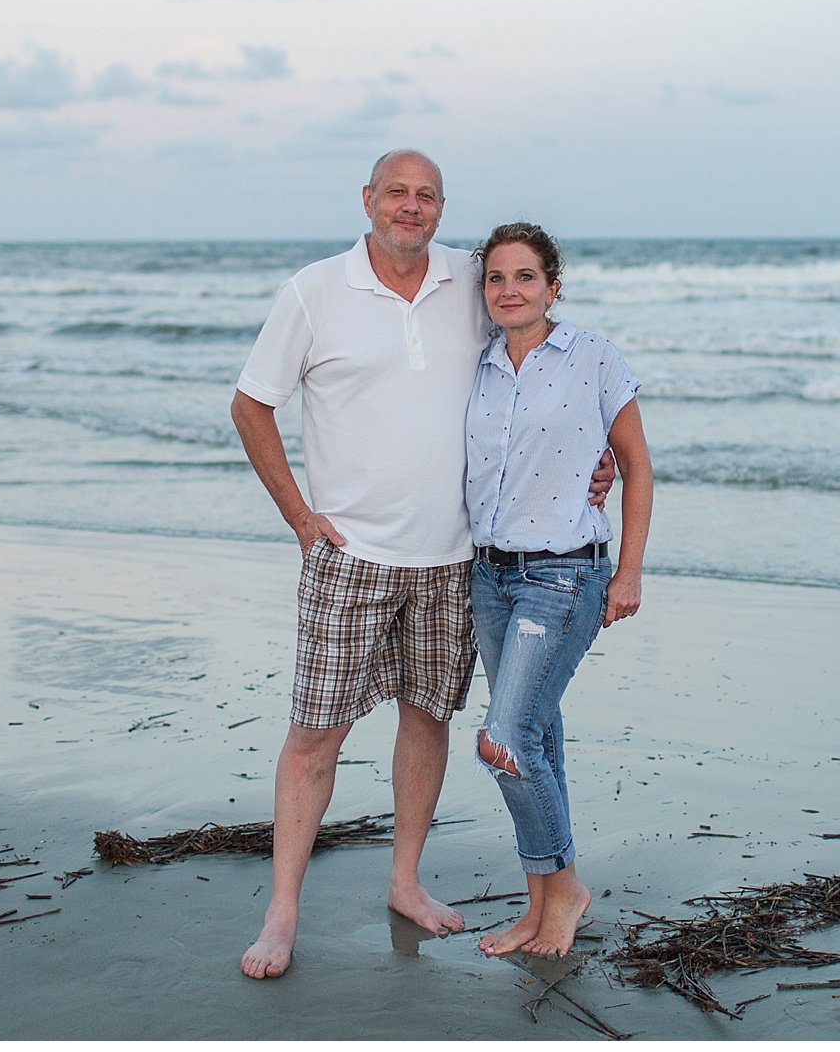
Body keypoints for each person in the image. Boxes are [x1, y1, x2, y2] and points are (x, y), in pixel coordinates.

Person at [229, 153, 615, 979]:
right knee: (313, 736)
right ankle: (282, 911)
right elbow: (250, 403)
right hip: (351, 557)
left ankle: (405, 880)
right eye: (395, 193)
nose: (410, 206)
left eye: (426, 195)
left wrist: (600, 460)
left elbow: (547, 371)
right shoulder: (313, 291)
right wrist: (300, 517)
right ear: (366, 200)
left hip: (456, 560)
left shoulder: (471, 282)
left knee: (426, 719)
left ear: (441, 209)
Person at [463, 221, 653, 960]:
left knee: (503, 740)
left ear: (552, 284)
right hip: (488, 576)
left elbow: (634, 465)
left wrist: (629, 570)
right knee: (535, 734)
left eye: (524, 276)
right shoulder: (475, 365)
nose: (509, 290)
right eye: (495, 278)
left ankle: (563, 887)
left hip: (565, 574)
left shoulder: (592, 357)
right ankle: (539, 903)